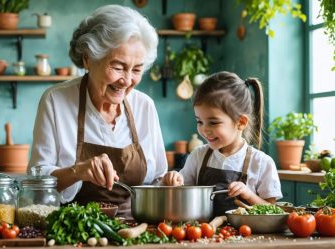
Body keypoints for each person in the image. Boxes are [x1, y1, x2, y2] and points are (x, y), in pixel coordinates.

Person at [28, 5, 167, 217]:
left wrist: (170, 182)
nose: (127, 80)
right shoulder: (56, 101)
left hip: (135, 228)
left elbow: (158, 179)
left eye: (137, 69)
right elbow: (36, 181)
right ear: (88, 59)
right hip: (74, 227)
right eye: (118, 67)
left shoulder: (144, 106)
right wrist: (78, 172)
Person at [162, 71, 282, 216]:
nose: (204, 129)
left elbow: (273, 211)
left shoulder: (262, 163)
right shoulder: (198, 156)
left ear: (241, 122)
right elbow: (180, 193)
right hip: (201, 235)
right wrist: (173, 181)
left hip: (246, 236)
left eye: (213, 122)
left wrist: (248, 194)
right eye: (199, 121)